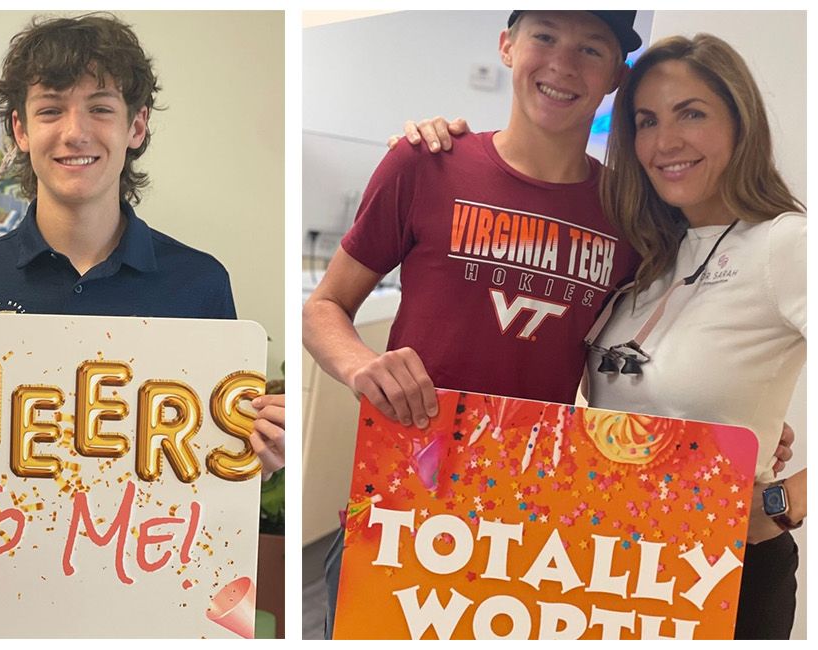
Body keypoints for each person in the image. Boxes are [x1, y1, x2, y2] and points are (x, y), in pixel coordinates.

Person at [0, 12, 285, 475]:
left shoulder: (200, 283)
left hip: (152, 548)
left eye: (100, 108)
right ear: (21, 130)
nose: (74, 131)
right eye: (50, 109)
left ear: (137, 126)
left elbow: (217, 460)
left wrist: (260, 457)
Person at [301, 10, 644, 638]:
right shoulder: (424, 163)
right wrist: (360, 365)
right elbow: (324, 307)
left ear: (616, 76)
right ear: (508, 46)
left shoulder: (628, 211)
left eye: (591, 49)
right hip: (401, 494)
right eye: (544, 36)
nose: (563, 63)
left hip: (528, 514)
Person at [584, 34, 805, 639]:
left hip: (723, 576)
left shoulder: (784, 243)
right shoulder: (648, 254)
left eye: (692, 114)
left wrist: (783, 503)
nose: (666, 142)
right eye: (647, 121)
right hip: (613, 565)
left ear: (741, 124)